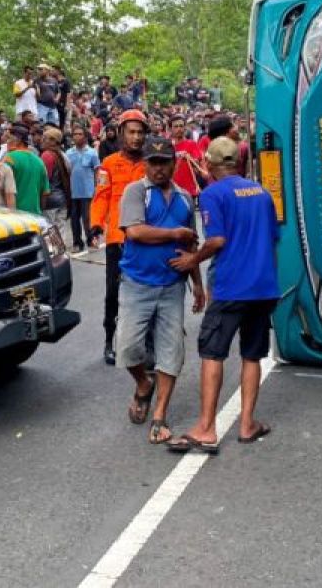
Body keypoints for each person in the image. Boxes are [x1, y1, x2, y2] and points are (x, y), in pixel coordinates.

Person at [167, 137, 279, 455]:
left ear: (212, 166)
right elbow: (272, 236)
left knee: (213, 353)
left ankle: (205, 428)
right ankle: (247, 424)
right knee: (252, 354)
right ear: (238, 163)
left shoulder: (213, 193)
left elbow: (216, 240)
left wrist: (191, 260)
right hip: (263, 286)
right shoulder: (261, 193)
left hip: (232, 287)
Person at [117, 137, 205, 444]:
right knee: (127, 348)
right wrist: (173, 233)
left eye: (164, 162)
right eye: (152, 162)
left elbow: (190, 244)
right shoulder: (135, 192)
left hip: (171, 286)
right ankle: (143, 384)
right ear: (145, 164)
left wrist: (197, 283)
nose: (158, 168)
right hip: (137, 284)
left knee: (171, 351)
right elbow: (135, 231)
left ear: (174, 163)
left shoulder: (183, 198)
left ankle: (160, 415)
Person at [90, 109, 149, 365]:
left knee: (147, 290)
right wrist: (95, 224)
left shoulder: (151, 162)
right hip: (117, 238)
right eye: (131, 132)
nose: (136, 137)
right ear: (122, 133)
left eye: (140, 132)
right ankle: (108, 341)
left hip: (147, 238)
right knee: (113, 292)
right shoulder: (108, 164)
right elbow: (101, 196)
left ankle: (147, 341)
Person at [66, 126, 100, 253]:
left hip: (88, 191)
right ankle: (77, 243)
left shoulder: (92, 152)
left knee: (88, 218)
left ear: (85, 137)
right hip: (73, 191)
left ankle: (92, 239)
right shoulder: (68, 153)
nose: (76, 136)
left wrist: (98, 187)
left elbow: (97, 171)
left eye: (80, 134)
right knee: (74, 219)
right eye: (75, 134)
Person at [4, 124, 49, 215]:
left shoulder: (9, 159)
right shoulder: (39, 161)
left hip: (15, 215)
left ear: (18, 140)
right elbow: (45, 193)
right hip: (35, 215)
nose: (7, 142)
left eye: (8, 138)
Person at [39, 126, 71, 231]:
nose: (42, 140)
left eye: (45, 138)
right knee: (60, 232)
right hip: (62, 199)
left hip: (50, 201)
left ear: (53, 141)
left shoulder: (47, 155)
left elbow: (44, 180)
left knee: (51, 235)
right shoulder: (63, 155)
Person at [169, 114, 206, 199]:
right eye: (176, 126)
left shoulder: (191, 144)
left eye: (181, 126)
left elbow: (197, 164)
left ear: (185, 128)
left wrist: (191, 159)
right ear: (171, 129)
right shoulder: (168, 146)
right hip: (171, 190)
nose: (179, 129)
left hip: (189, 191)